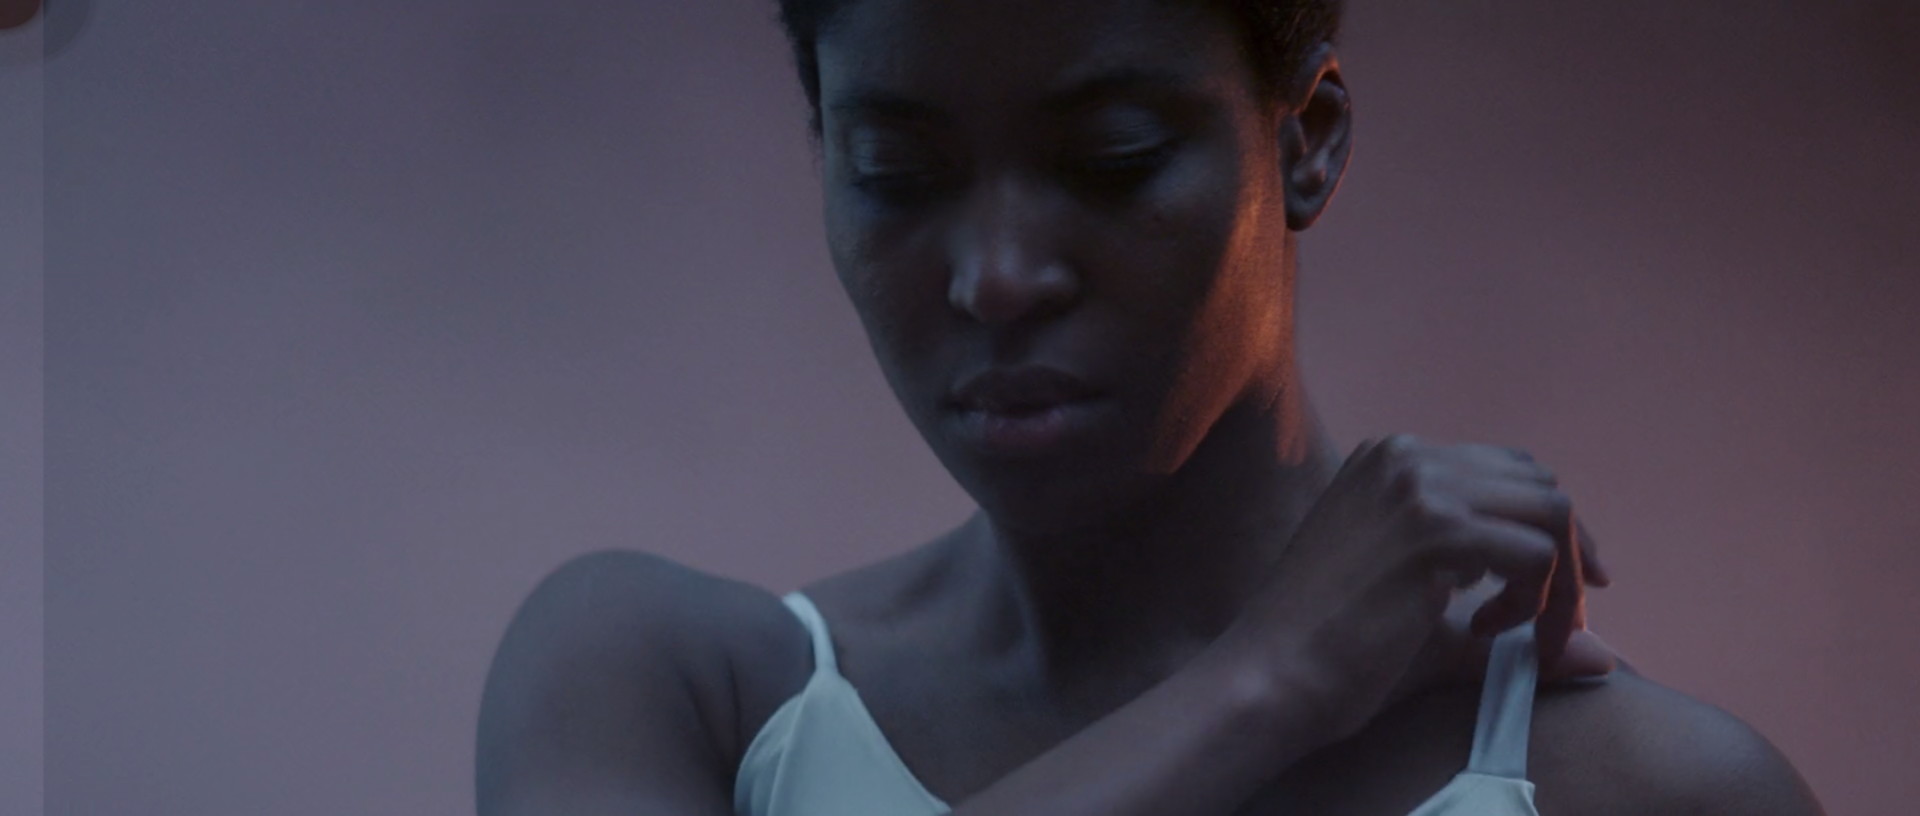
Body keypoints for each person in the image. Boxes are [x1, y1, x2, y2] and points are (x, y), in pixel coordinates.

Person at [474, 1, 1826, 814]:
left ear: (1305, 140)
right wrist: (1267, 682)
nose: (999, 277)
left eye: (1110, 161)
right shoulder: (667, 691)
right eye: (896, 173)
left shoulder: (1645, 793)